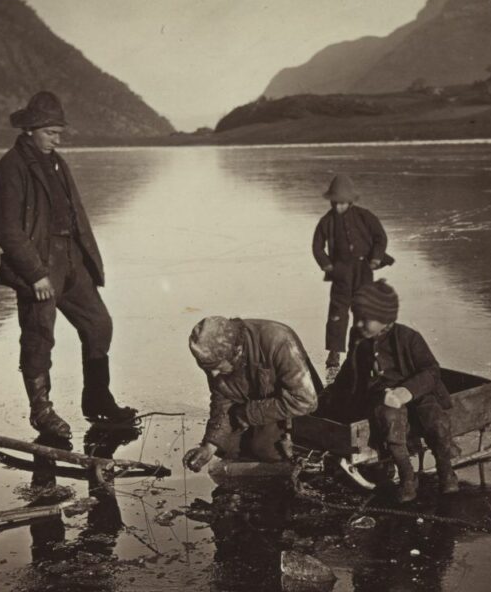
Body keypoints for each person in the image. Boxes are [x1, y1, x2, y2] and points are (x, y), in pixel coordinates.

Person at [0, 91, 136, 439]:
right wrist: (36, 274)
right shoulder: (11, 167)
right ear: (29, 130)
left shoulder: (57, 162)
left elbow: (75, 214)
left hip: (71, 260)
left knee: (98, 324)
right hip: (40, 265)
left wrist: (85, 261)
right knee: (39, 336)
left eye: (59, 133)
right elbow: (5, 229)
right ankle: (42, 412)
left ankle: (97, 400)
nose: (57, 140)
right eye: (50, 133)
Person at [320, 280, 459, 500]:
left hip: (417, 392)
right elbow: (351, 369)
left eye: (366, 319)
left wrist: (405, 392)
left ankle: (446, 471)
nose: (359, 324)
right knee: (389, 420)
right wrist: (331, 394)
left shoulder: (409, 337)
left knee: (435, 419)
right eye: (357, 318)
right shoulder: (360, 338)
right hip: (382, 395)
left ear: (386, 319)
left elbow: (431, 371)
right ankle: (407, 476)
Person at [183, 317, 319, 472]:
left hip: (291, 410)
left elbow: (305, 401)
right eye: (207, 368)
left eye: (217, 367)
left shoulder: (278, 340)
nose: (213, 374)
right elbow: (222, 402)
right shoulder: (215, 354)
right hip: (254, 408)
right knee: (226, 447)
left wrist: (248, 413)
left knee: (265, 450)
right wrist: (209, 447)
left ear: (237, 351)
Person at [311, 174, 392, 380]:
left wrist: (376, 258)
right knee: (337, 313)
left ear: (350, 202)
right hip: (341, 273)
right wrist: (328, 266)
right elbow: (317, 246)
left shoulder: (365, 216)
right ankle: (334, 354)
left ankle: (359, 350)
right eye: (335, 203)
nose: (338, 207)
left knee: (363, 310)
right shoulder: (326, 221)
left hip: (363, 270)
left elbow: (380, 237)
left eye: (342, 203)